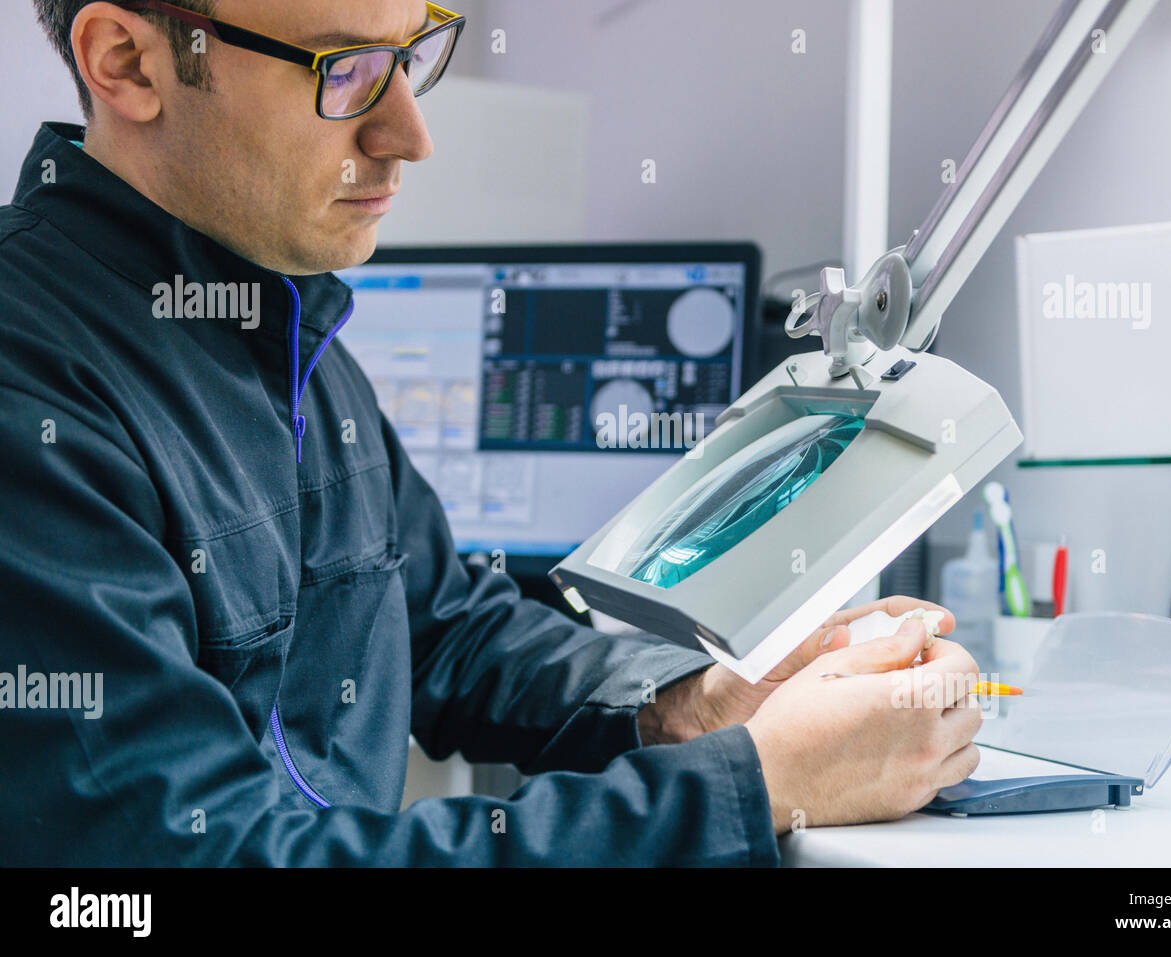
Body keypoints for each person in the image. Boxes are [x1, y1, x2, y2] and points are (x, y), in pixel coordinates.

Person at [0, 0, 981, 865]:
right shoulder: (32, 384)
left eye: (412, 52)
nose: (408, 133)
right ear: (128, 61)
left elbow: (444, 628)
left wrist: (687, 703)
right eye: (342, 71)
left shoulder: (276, 324)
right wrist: (752, 784)